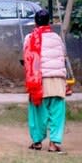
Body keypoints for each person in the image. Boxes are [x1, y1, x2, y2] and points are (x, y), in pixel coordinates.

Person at [23, 8, 71, 152]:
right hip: (57, 80)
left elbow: (27, 58)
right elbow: (62, 55)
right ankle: (54, 143)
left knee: (37, 112)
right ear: (48, 21)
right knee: (57, 112)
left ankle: (37, 141)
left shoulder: (29, 38)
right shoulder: (57, 38)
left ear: (35, 22)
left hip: (39, 81)